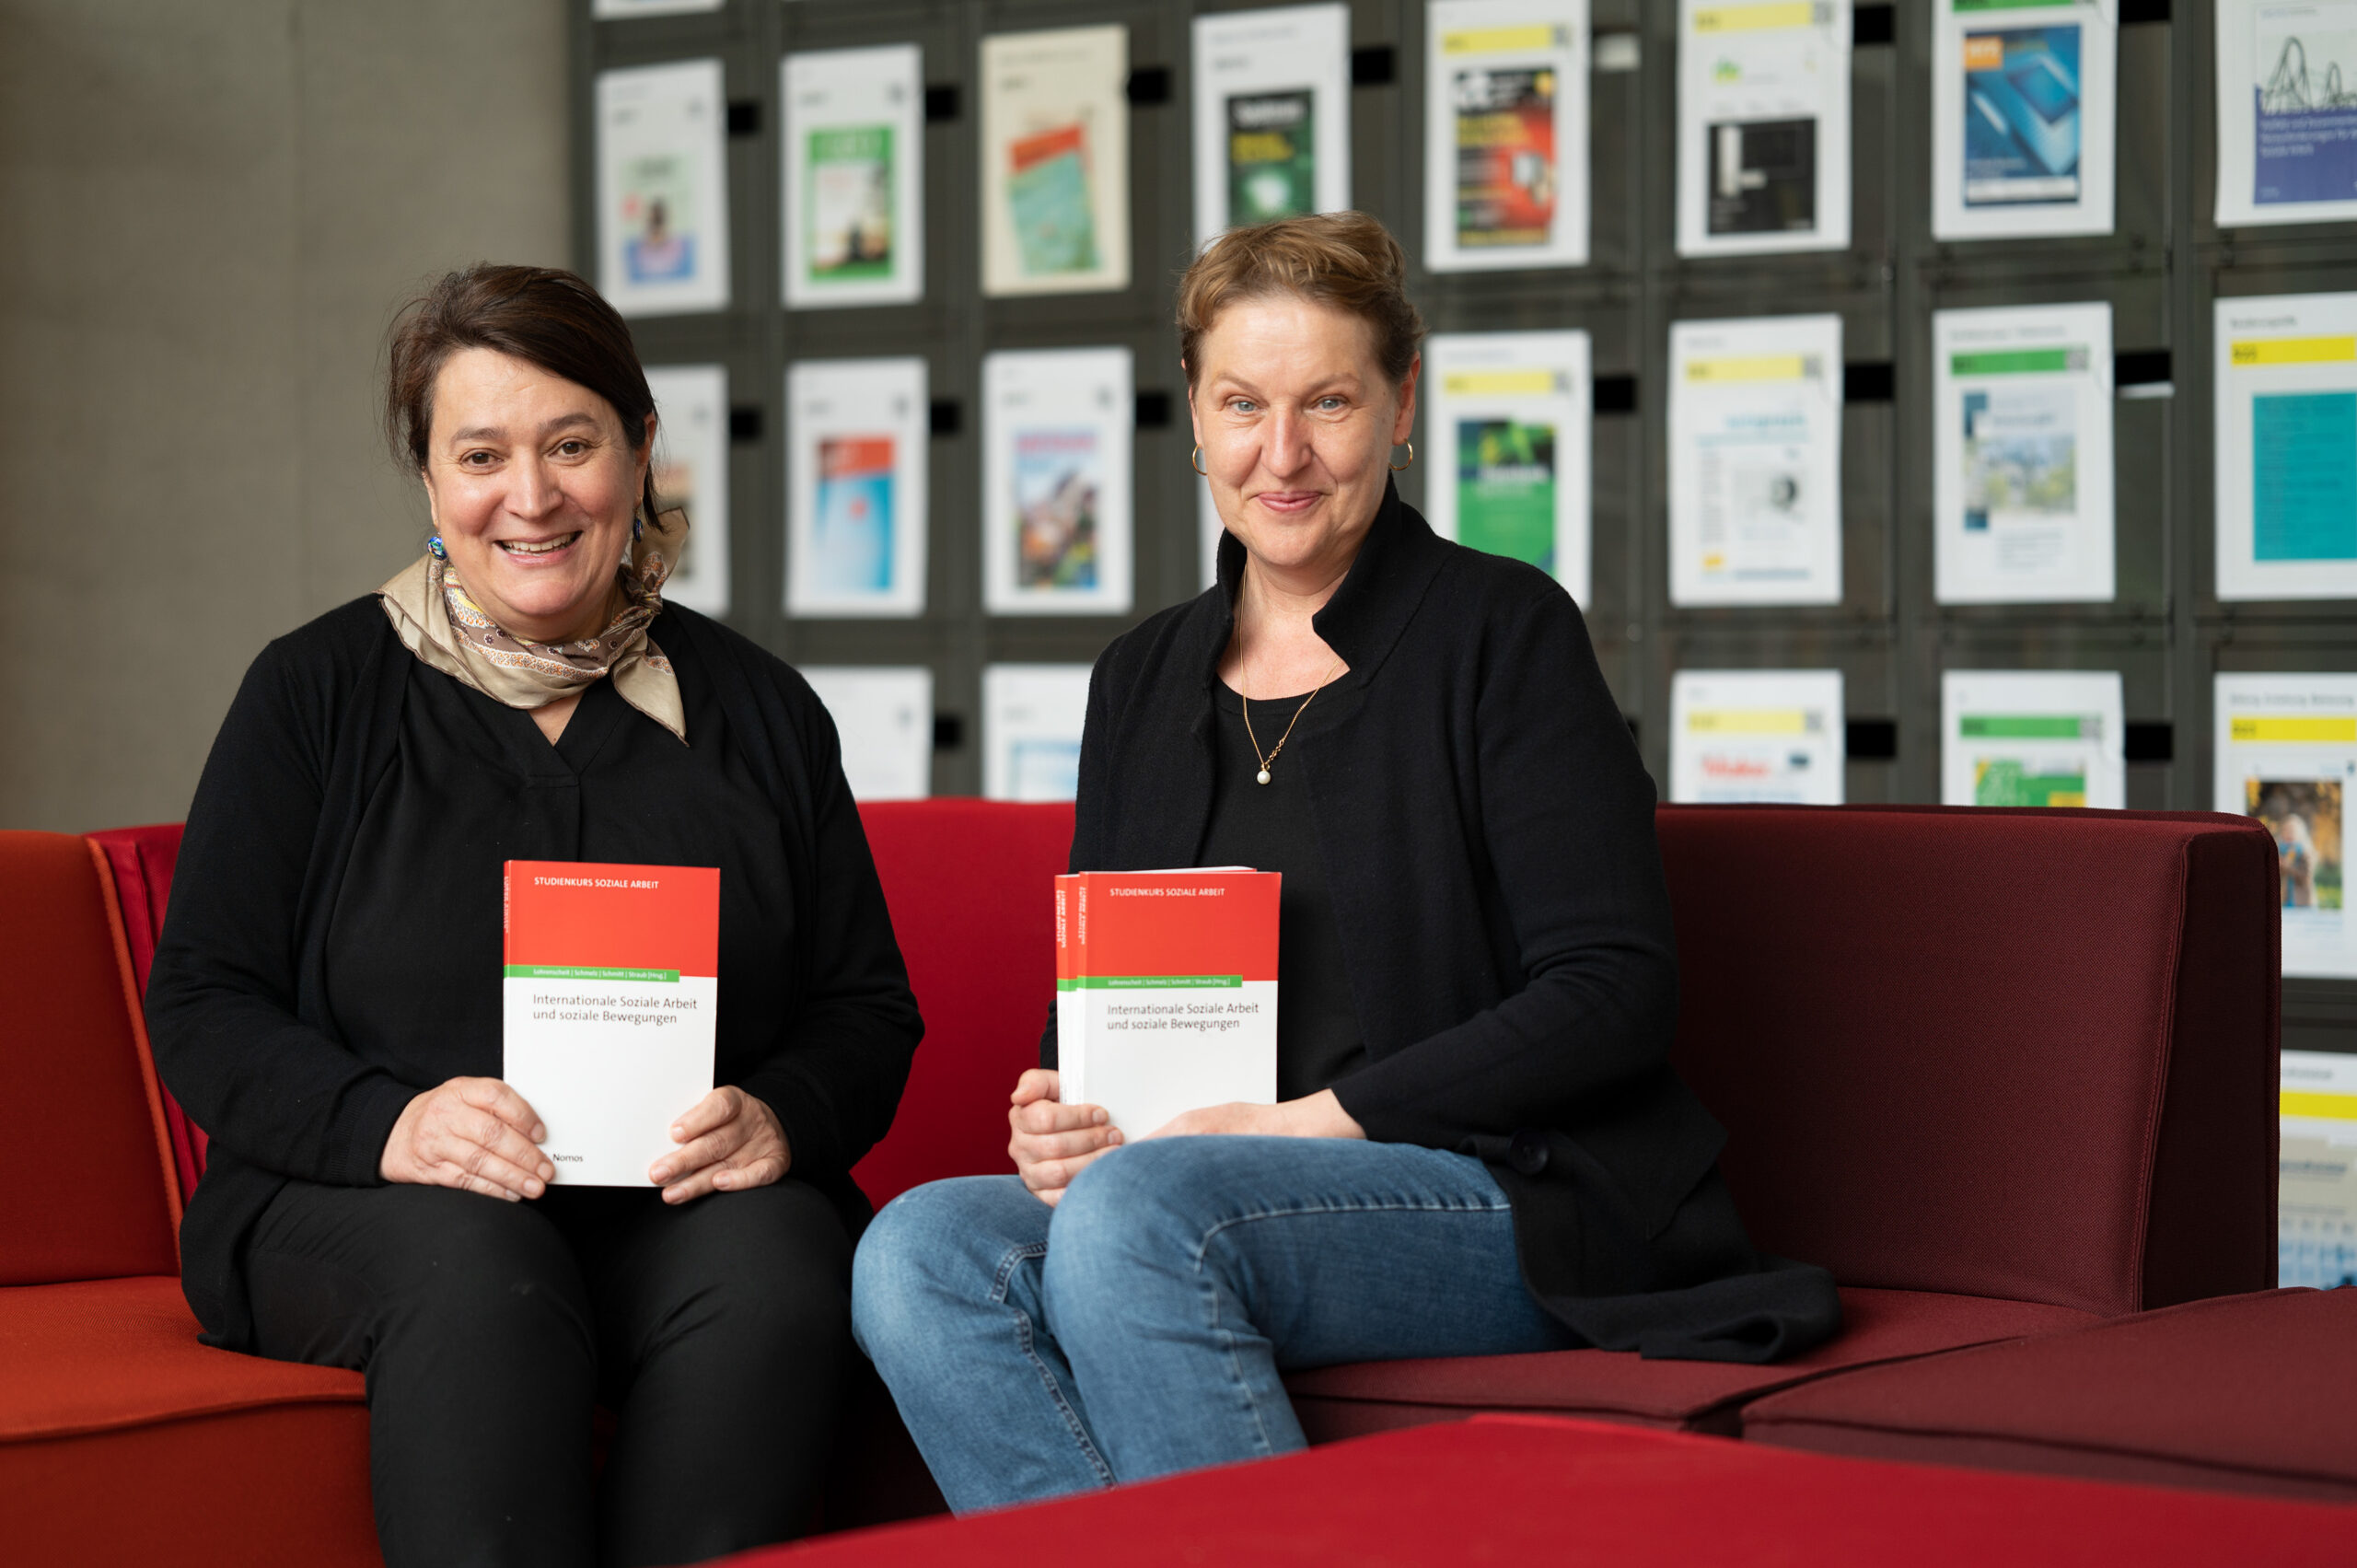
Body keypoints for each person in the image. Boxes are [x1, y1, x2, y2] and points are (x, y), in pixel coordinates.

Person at [851, 213, 1840, 1514]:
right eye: (1242, 404)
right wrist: (1061, 1110)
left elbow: (1615, 990)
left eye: (1328, 401)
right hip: (1190, 1187)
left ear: (1401, 402)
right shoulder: (1140, 677)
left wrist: (1299, 1125)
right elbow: (1097, 991)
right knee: (917, 1249)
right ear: (1193, 418)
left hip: (1503, 1193)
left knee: (1142, 1218)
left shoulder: (1503, 633)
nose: (1283, 454)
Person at [145, 264, 922, 1568]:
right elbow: (201, 1001)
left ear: (638, 452)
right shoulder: (313, 695)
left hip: (663, 1213)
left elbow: (866, 1009)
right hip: (361, 1203)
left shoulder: (761, 710)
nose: (533, 496)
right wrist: (390, 1124)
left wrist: (781, 1114)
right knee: (480, 1270)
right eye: (482, 454)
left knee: (786, 1263)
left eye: (572, 444)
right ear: (432, 484)